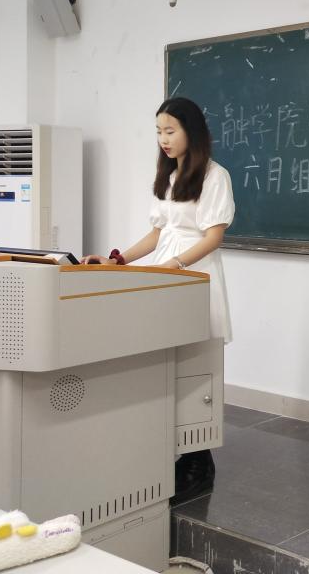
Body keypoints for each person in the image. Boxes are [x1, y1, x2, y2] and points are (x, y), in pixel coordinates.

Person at [81, 97, 235, 503]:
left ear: (191, 132)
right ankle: (178, 455)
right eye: (158, 132)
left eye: (170, 131)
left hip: (194, 278)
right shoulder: (168, 176)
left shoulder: (215, 176)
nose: (163, 139)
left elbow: (213, 237)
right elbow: (157, 234)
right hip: (166, 278)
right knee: (168, 366)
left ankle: (199, 463)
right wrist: (117, 260)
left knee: (196, 367)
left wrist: (175, 265)